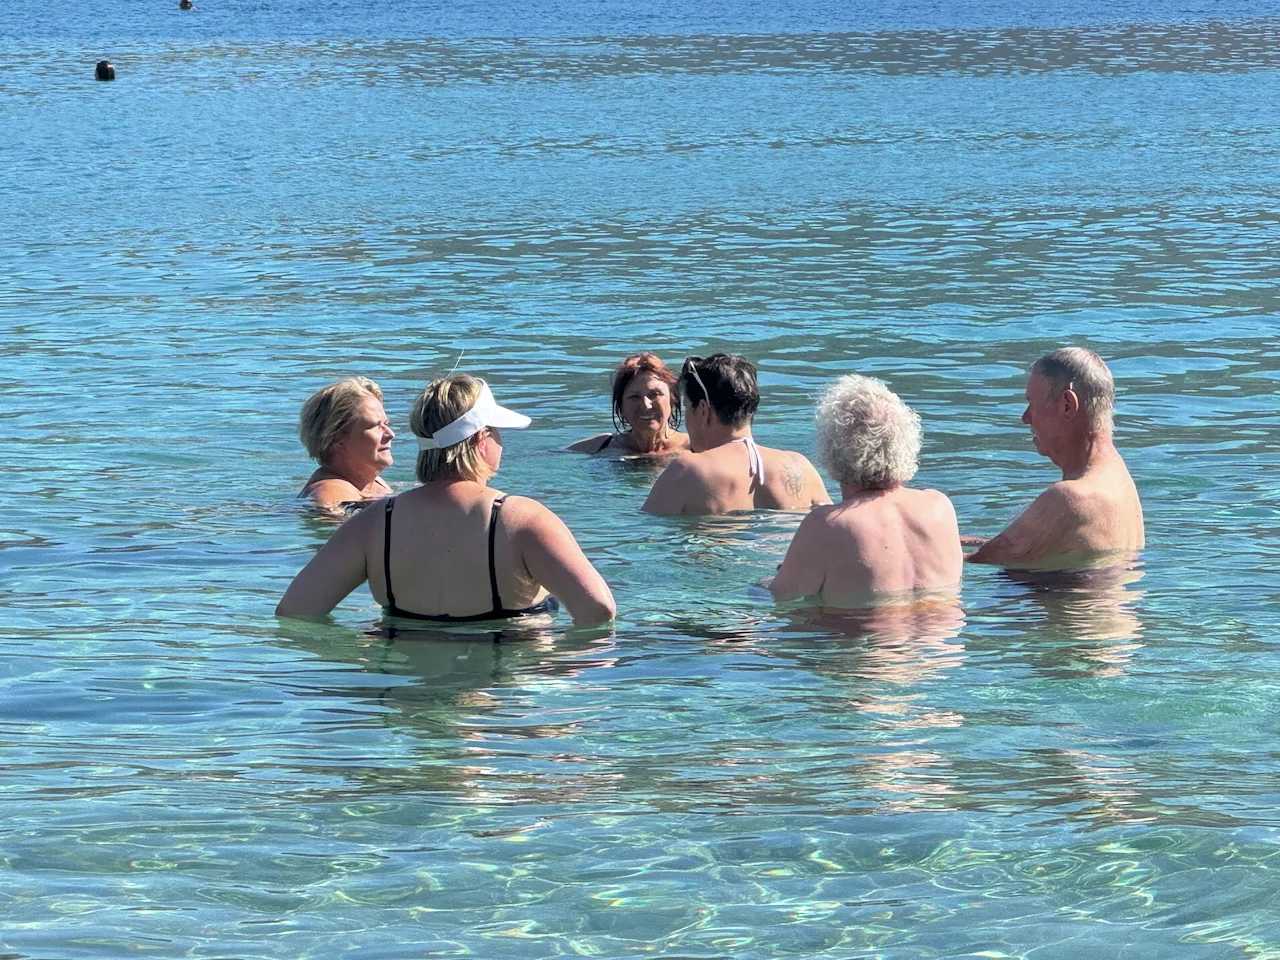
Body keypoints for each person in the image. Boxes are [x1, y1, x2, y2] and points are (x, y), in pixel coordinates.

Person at [278, 375, 616, 625]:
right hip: (505, 691)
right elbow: (599, 610)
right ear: (481, 439)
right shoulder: (523, 518)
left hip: (405, 691)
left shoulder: (374, 521)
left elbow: (295, 611)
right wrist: (549, 670)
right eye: (497, 431)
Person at [768, 375, 962, 607]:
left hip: (857, 631)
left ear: (832, 449)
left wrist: (776, 575)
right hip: (944, 630)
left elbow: (781, 598)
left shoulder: (828, 525)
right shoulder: (940, 507)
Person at [967, 347, 1144, 568]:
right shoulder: (1118, 479)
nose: (1025, 418)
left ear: (1067, 405)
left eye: (1032, 403)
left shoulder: (1070, 498)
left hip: (1068, 593)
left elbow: (967, 563)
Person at [642, 354, 830, 515]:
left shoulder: (688, 470)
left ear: (702, 410)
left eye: (687, 407)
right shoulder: (800, 466)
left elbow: (647, 534)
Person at [297, 377, 395, 510]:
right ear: (337, 439)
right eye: (374, 426)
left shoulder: (370, 483)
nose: (390, 434)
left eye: (385, 424)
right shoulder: (330, 494)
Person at [568, 353, 691, 456]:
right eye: (634, 397)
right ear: (621, 406)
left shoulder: (694, 447)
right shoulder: (602, 446)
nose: (646, 405)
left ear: (673, 399)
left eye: (654, 394)